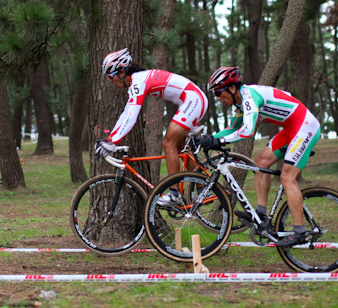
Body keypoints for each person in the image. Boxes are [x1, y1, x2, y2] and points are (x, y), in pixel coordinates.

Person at [203, 66, 321, 248]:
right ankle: (261, 214)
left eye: (219, 93)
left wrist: (221, 141)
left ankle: (300, 231)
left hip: (305, 126)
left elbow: (248, 130)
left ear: (232, 88)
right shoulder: (240, 102)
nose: (218, 98)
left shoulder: (249, 97)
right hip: (291, 128)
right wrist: (210, 139)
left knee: (287, 177)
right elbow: (234, 128)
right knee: (261, 161)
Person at [98, 48, 208, 207]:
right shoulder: (137, 81)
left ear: (122, 71)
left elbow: (132, 117)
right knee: (182, 150)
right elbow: (127, 113)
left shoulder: (138, 81)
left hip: (193, 99)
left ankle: (175, 194)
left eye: (110, 76)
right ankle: (203, 188)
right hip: (193, 99)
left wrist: (112, 141)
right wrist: (110, 139)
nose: (110, 80)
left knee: (167, 144)